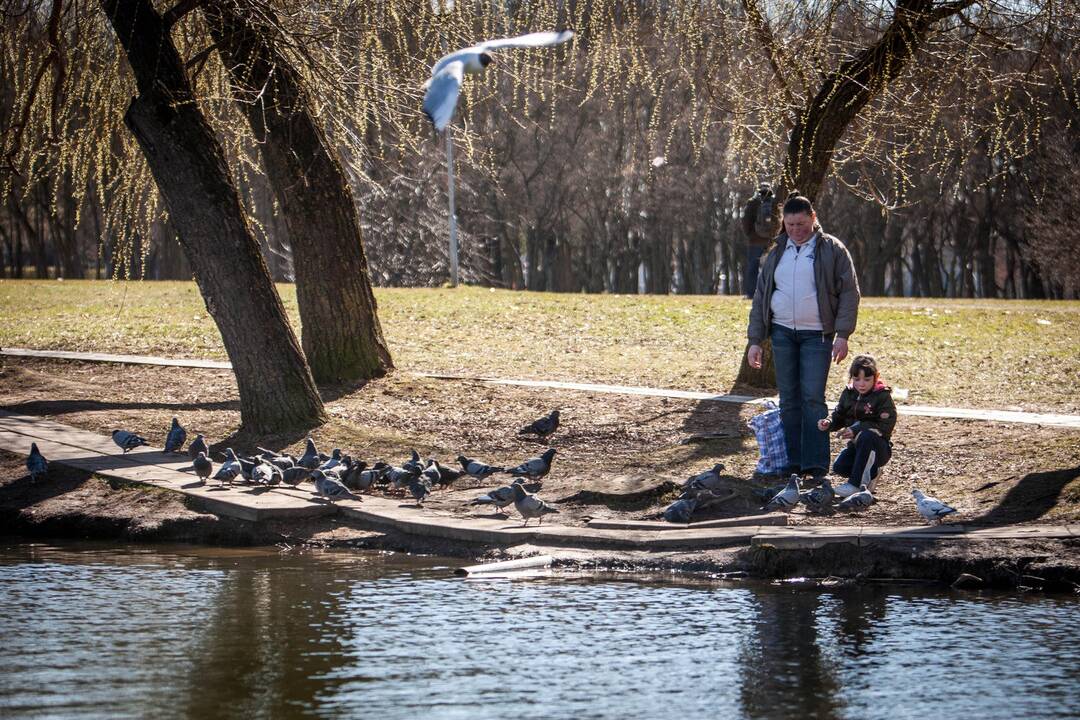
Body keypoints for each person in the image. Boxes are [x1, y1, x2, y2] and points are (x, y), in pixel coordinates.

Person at [746, 190, 860, 482]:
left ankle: (816, 464)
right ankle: (793, 463)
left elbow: (849, 293)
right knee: (789, 400)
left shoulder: (832, 249)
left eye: (801, 224)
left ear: (814, 219)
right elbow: (761, 296)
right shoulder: (777, 252)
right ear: (783, 223)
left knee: (812, 399)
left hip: (817, 337)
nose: (796, 230)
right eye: (790, 224)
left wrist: (843, 334)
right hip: (782, 334)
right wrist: (755, 340)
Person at [817, 355, 896, 497]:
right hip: (856, 447)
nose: (861, 384)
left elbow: (886, 423)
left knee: (867, 436)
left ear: (876, 377)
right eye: (856, 379)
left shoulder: (882, 395)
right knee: (840, 467)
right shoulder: (849, 393)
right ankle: (872, 473)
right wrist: (829, 422)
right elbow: (839, 414)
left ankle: (855, 485)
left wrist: (856, 429)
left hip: (878, 448)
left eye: (867, 380)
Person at [741, 182, 779, 298]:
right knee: (773, 267)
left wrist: (750, 235)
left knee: (753, 267)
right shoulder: (775, 203)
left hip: (755, 240)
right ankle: (771, 293)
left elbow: (746, 221)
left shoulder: (753, 202)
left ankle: (751, 293)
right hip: (772, 240)